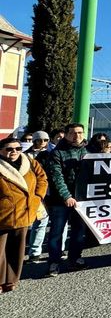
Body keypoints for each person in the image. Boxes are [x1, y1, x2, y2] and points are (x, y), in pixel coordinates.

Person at [0, 137, 47, 293]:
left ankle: (11, 280)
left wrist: (37, 197)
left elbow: (42, 178)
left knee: (17, 250)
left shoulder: (30, 162)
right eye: (9, 149)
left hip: (25, 211)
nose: (14, 152)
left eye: (18, 148)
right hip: (3, 213)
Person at [45, 123, 88, 276]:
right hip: (60, 201)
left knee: (78, 231)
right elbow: (56, 177)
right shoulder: (57, 153)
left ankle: (75, 258)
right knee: (57, 232)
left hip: (82, 200)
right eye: (73, 133)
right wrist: (66, 196)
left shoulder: (88, 150)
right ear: (66, 134)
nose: (77, 136)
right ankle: (54, 262)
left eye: (80, 133)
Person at [23, 131, 51, 262]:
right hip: (31, 192)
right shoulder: (24, 156)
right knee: (30, 223)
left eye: (46, 140)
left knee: (42, 221)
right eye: (40, 140)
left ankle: (35, 252)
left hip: (47, 192)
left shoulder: (51, 154)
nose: (43, 142)